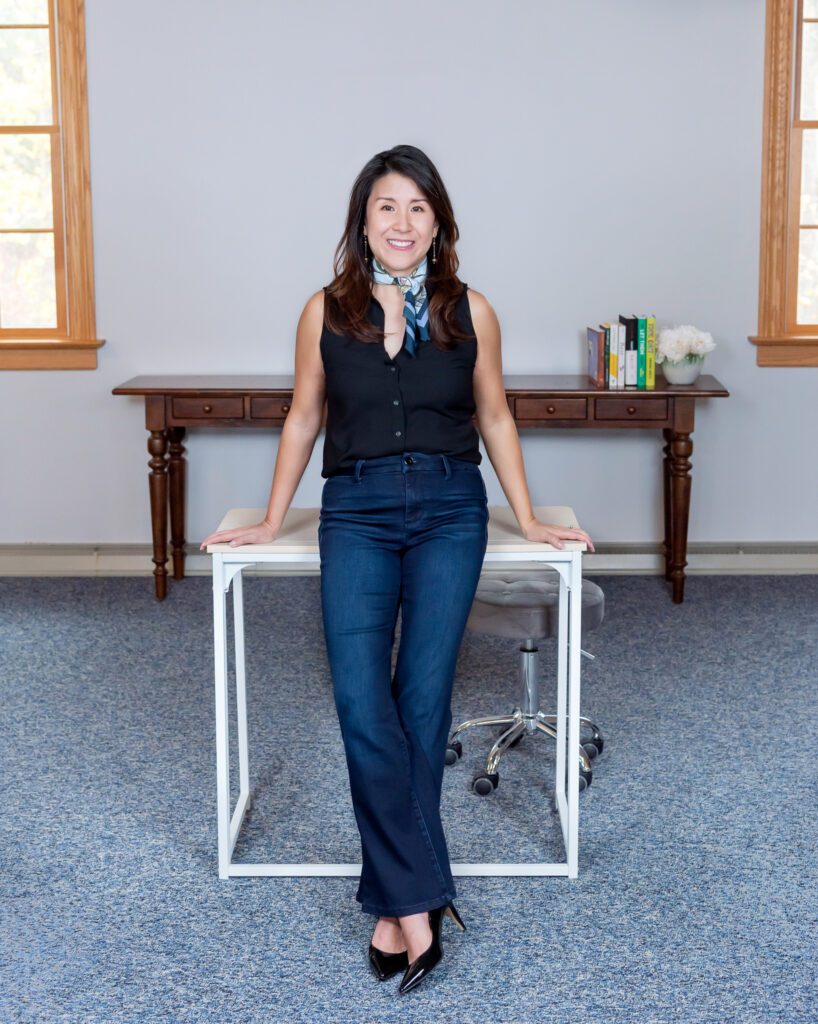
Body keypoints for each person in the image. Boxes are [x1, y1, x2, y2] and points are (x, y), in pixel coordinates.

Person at [200, 144, 595, 994]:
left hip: (452, 510)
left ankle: (395, 904)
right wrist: (272, 516)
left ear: (439, 221)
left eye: (417, 207)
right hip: (359, 510)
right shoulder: (324, 312)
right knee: (357, 697)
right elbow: (304, 418)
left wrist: (525, 516)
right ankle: (420, 895)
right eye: (386, 206)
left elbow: (494, 415)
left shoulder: (470, 310)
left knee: (422, 700)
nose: (401, 223)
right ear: (362, 220)